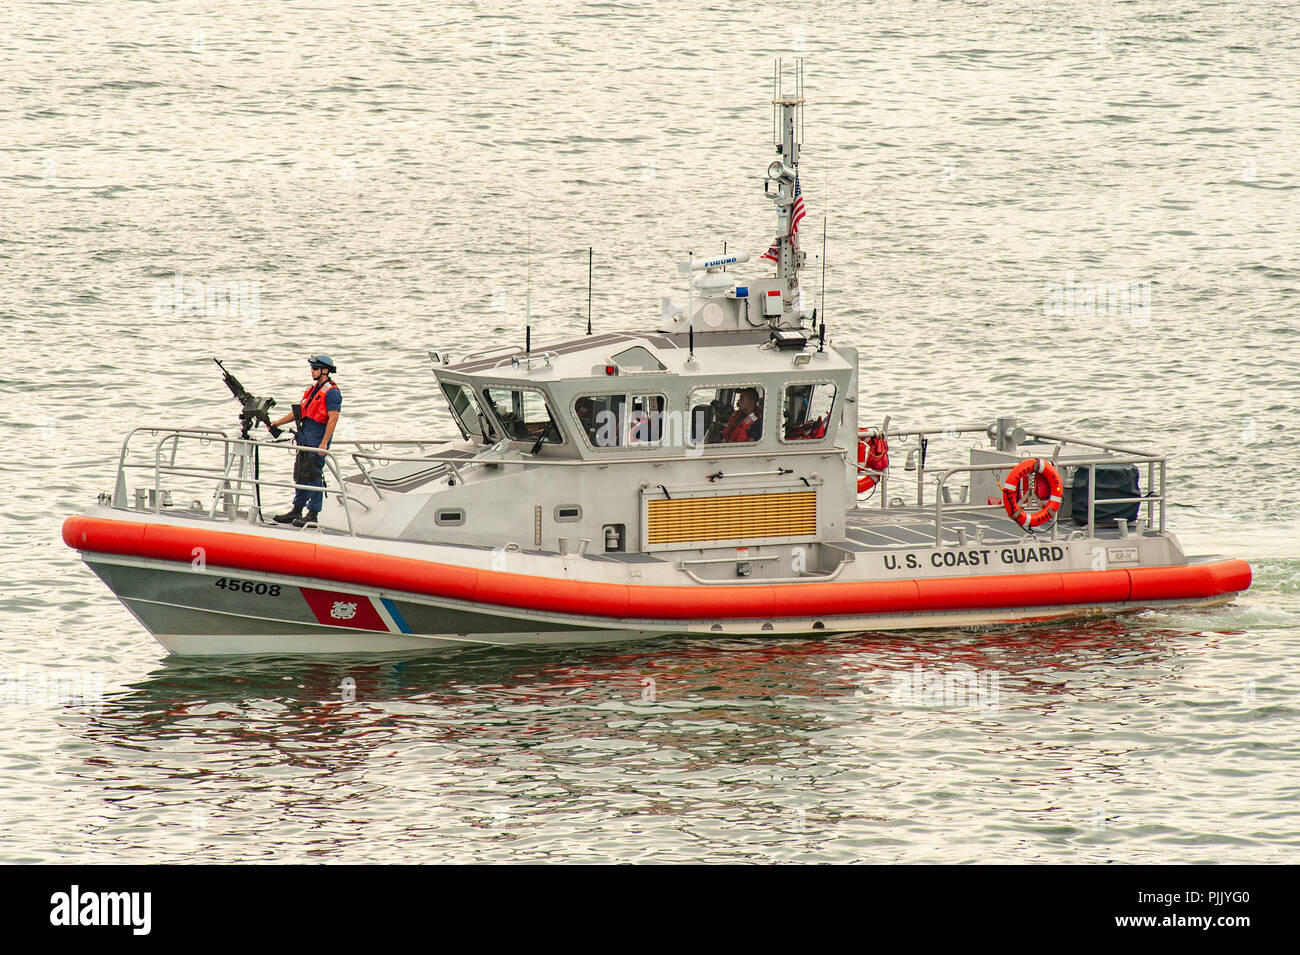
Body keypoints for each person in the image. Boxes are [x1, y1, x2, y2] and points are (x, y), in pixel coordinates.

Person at [270, 354, 341, 527]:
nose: (312, 371)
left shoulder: (332, 393)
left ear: (325, 371)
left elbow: (333, 419)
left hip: (317, 436)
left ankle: (313, 513)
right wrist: (277, 422)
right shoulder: (312, 390)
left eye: (315, 368)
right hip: (304, 434)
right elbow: (300, 412)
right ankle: (297, 509)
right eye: (311, 368)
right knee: (301, 473)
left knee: (313, 474)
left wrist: (324, 443)